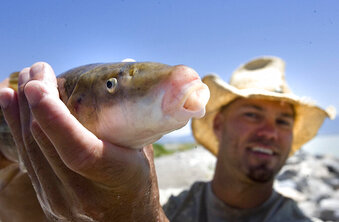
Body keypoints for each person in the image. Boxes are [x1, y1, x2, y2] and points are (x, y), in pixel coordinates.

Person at [0, 56, 335, 222]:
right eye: (252, 114)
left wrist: (135, 213)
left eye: (283, 120)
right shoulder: (177, 207)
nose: (269, 131)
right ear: (217, 124)